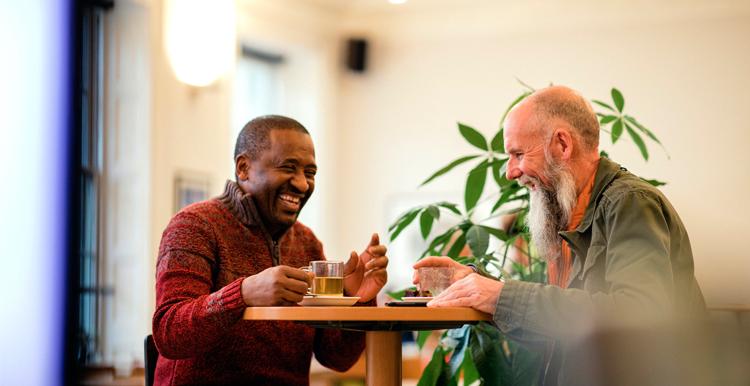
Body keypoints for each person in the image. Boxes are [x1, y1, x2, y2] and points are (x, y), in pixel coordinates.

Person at [413, 86, 705, 386]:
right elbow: (563, 332)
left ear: (562, 145)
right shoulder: (570, 213)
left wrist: (500, 295)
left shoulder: (629, 202)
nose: (509, 172)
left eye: (518, 154)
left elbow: (638, 315)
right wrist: (478, 290)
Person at [152, 115, 389, 386]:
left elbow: (337, 358)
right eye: (288, 167)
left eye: (310, 173)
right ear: (243, 168)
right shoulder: (194, 226)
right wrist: (243, 294)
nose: (302, 184)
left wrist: (355, 299)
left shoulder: (306, 241)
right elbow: (169, 332)